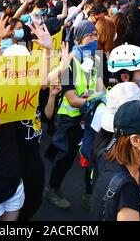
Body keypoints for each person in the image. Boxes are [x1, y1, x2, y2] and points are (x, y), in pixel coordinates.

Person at [44, 20, 103, 210]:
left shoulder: (98, 59)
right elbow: (71, 99)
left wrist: (96, 98)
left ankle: (89, 194)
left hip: (91, 117)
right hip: (69, 119)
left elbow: (100, 88)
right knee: (66, 158)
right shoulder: (70, 61)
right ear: (79, 38)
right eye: (90, 35)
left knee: (91, 157)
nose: (94, 38)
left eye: (96, 35)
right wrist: (94, 100)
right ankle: (52, 189)